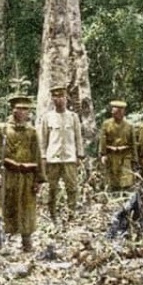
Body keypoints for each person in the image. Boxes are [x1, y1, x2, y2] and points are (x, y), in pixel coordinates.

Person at [0, 95, 46, 252]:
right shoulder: (1, 129)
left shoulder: (32, 132)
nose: (22, 112)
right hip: (7, 175)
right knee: (0, 207)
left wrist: (38, 179)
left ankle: (26, 242)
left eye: (26, 109)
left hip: (26, 176)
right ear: (12, 110)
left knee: (26, 208)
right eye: (19, 108)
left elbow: (37, 155)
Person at [39, 85, 84, 221]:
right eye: (56, 97)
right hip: (53, 159)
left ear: (66, 98)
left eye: (62, 96)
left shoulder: (73, 117)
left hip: (69, 157)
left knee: (72, 187)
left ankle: (72, 214)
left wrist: (79, 155)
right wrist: (43, 157)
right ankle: (52, 214)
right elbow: (43, 140)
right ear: (52, 99)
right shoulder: (47, 118)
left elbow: (78, 137)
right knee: (52, 188)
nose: (59, 100)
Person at [99, 100, 136, 192]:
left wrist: (135, 159)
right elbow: (103, 140)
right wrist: (102, 154)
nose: (116, 114)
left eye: (119, 112)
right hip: (111, 155)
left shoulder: (129, 125)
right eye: (114, 112)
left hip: (125, 155)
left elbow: (133, 143)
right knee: (111, 180)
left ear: (123, 112)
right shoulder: (106, 124)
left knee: (126, 180)